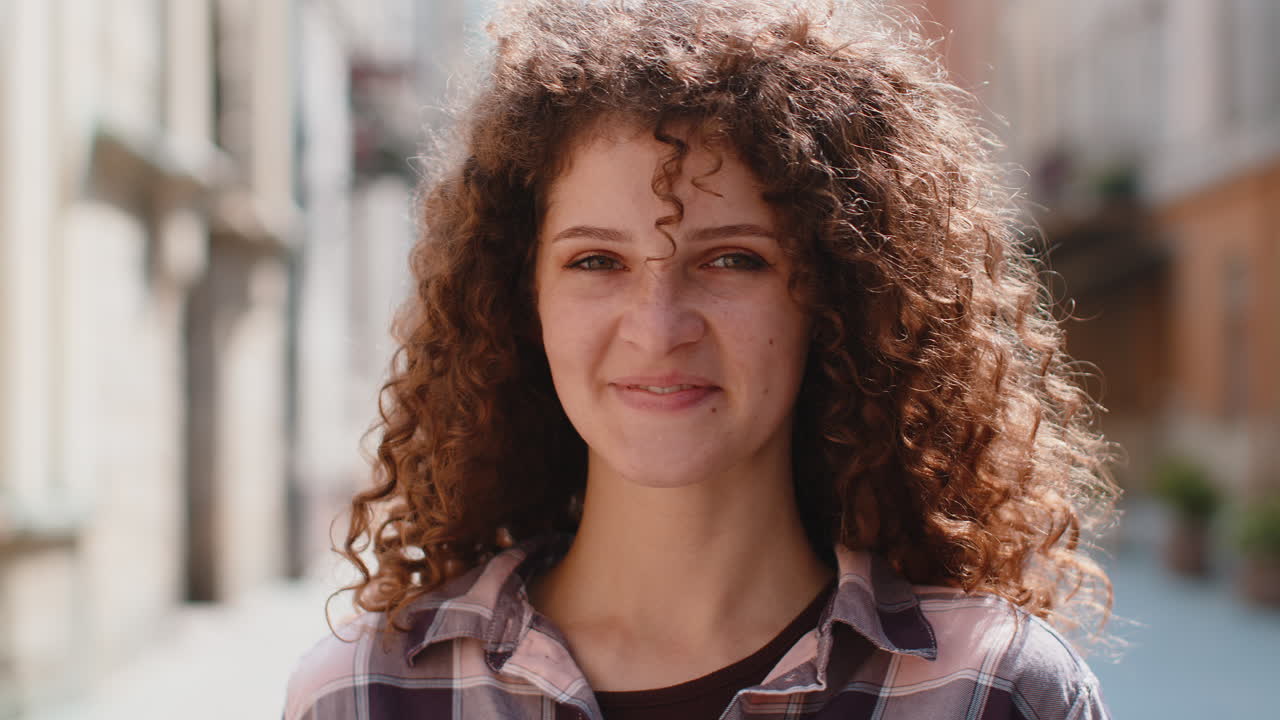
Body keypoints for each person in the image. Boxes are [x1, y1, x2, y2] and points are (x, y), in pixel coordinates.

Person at [285, 1, 1118, 718]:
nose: (659, 325)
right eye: (595, 261)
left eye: (732, 259)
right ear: (520, 305)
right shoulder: (366, 696)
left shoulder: (994, 692)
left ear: (836, 298)